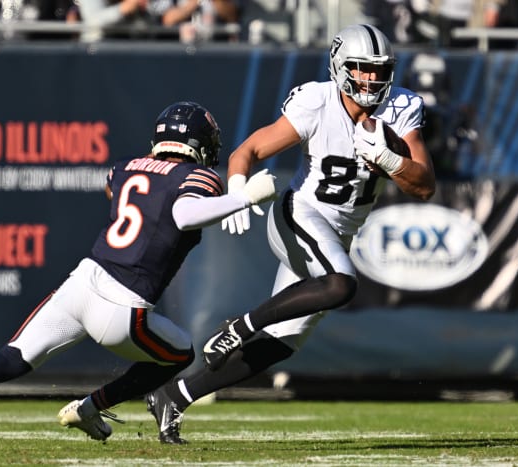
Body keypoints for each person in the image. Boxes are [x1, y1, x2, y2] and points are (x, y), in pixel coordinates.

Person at [0, 101, 277, 451]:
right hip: (123, 306)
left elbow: (127, 195)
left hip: (81, 283)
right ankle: (89, 407)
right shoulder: (199, 177)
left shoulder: (123, 169)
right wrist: (243, 197)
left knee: (11, 356)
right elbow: (182, 215)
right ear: (201, 143)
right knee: (180, 353)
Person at [144, 23, 436, 444]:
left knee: (283, 342)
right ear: (340, 67)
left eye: (379, 69)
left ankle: (175, 395)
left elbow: (423, 185)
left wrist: (390, 159)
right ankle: (242, 324)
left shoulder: (402, 107)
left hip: (338, 234)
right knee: (341, 283)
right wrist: (238, 189)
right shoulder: (317, 102)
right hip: (300, 214)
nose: (371, 79)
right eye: (361, 68)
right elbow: (250, 150)